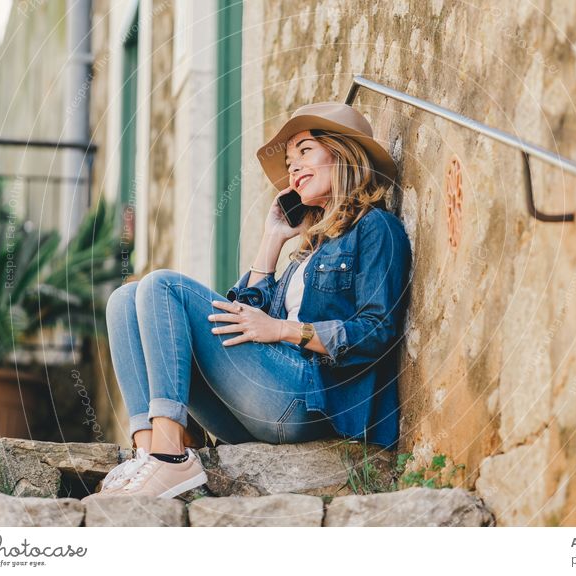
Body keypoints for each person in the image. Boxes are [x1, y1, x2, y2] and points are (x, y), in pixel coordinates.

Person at [83, 102, 412, 501]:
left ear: (343, 153)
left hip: (310, 401)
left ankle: (171, 458)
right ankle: (148, 452)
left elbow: (377, 332)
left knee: (163, 286)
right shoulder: (307, 250)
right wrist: (272, 239)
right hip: (258, 405)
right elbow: (239, 317)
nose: (293, 169)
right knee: (125, 298)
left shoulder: (377, 228)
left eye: (305, 153)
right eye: (289, 163)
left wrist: (283, 330)